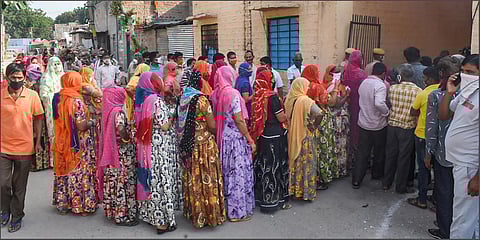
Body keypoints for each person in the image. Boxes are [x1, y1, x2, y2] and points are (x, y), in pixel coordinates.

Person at [178, 70, 226, 228]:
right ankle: (209, 214)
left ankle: (195, 212)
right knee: (207, 178)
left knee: (194, 179)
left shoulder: (184, 98)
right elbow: (212, 125)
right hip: (204, 145)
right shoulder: (202, 100)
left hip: (189, 145)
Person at [1, 63, 44, 233]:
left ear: (24, 78)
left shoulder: (32, 96)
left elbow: (38, 118)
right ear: (7, 78)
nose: (17, 81)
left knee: (19, 186)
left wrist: (38, 141)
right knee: (3, 184)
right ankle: (5, 211)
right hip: (3, 147)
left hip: (25, 148)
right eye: (14, 78)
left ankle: (17, 216)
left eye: (20, 78)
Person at [440, 54, 479, 239]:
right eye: (463, 71)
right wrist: (449, 92)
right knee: (470, 217)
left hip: (470, 165)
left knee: (462, 218)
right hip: (459, 162)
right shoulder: (467, 91)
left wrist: (478, 178)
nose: (465, 75)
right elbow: (444, 114)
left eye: (470, 72)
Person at [135, 72, 180, 234]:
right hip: (159, 147)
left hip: (147, 146)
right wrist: (174, 113)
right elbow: (165, 126)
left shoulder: (143, 101)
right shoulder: (157, 102)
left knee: (152, 180)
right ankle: (162, 221)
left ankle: (150, 215)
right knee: (161, 181)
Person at [210, 66, 255, 222]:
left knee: (227, 173)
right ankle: (237, 212)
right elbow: (239, 119)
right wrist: (249, 138)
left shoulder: (215, 94)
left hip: (223, 138)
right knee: (237, 175)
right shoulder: (233, 94)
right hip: (236, 140)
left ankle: (226, 208)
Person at [52, 72, 97, 216]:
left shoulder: (57, 98)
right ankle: (81, 206)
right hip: (77, 141)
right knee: (79, 170)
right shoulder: (76, 101)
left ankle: (63, 203)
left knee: (65, 169)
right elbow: (81, 125)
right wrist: (92, 122)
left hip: (61, 139)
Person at [425, 57, 460, 239]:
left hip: (443, 152)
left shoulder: (437, 95)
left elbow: (432, 126)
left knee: (444, 191)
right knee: (459, 193)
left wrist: (428, 152)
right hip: (463, 154)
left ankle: (445, 229)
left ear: (441, 74)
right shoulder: (467, 94)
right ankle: (457, 227)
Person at [250, 67, 290, 213]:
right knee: (275, 167)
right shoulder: (272, 97)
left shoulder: (257, 95)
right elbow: (280, 117)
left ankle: (263, 199)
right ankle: (276, 201)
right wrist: (288, 115)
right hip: (275, 136)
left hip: (262, 135)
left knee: (264, 166)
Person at [98, 87, 138, 226]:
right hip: (121, 154)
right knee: (123, 182)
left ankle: (114, 211)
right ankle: (122, 215)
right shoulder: (118, 112)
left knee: (114, 182)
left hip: (111, 153)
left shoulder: (107, 111)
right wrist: (128, 138)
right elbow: (121, 129)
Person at [382, 64, 422, 193]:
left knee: (390, 155)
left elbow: (389, 104)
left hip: (392, 125)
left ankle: (386, 182)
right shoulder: (418, 91)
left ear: (401, 76)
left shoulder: (393, 88)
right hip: (407, 127)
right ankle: (400, 186)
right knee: (404, 158)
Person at [286, 77, 325, 201]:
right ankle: (305, 191)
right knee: (306, 163)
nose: (308, 88)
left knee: (295, 161)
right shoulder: (305, 100)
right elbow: (319, 113)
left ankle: (294, 189)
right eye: (306, 86)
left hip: (292, 134)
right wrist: (314, 126)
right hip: (304, 135)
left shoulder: (289, 99)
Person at [408, 66, 441, 208]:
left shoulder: (424, 93)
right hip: (438, 136)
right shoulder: (443, 92)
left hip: (422, 134)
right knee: (437, 169)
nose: (424, 80)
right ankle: (435, 198)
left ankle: (421, 199)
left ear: (430, 78)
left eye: (425, 77)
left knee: (423, 168)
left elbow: (413, 111)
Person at [353, 63, 389, 189]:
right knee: (379, 151)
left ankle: (357, 179)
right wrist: (386, 112)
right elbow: (379, 103)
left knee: (362, 152)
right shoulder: (380, 85)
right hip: (377, 124)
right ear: (383, 73)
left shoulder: (364, 82)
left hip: (363, 122)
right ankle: (376, 174)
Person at [302, 65, 337, 190]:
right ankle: (322, 178)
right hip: (321, 120)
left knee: (312, 149)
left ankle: (312, 177)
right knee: (322, 149)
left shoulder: (303, 86)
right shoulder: (318, 87)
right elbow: (331, 102)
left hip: (308, 119)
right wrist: (335, 90)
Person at [323, 64, 351, 176]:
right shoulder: (335, 85)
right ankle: (340, 170)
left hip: (332, 118)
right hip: (338, 118)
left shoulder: (326, 84)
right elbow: (337, 103)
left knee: (334, 143)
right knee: (340, 144)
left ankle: (334, 169)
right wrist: (347, 95)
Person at [343, 50, 368, 168]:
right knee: (357, 129)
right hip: (359, 103)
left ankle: (349, 157)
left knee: (348, 128)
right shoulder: (361, 73)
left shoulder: (346, 71)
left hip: (347, 103)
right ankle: (358, 158)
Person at [39, 56, 64, 168]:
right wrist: (53, 98)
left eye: (58, 63)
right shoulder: (46, 77)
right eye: (54, 64)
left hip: (64, 107)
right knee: (53, 133)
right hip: (51, 108)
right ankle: (54, 160)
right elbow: (43, 95)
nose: (56, 66)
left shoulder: (64, 76)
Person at [235, 62, 254, 128]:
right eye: (249, 69)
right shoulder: (245, 83)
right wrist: (255, 94)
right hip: (245, 108)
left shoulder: (239, 78)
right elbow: (246, 99)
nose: (251, 71)